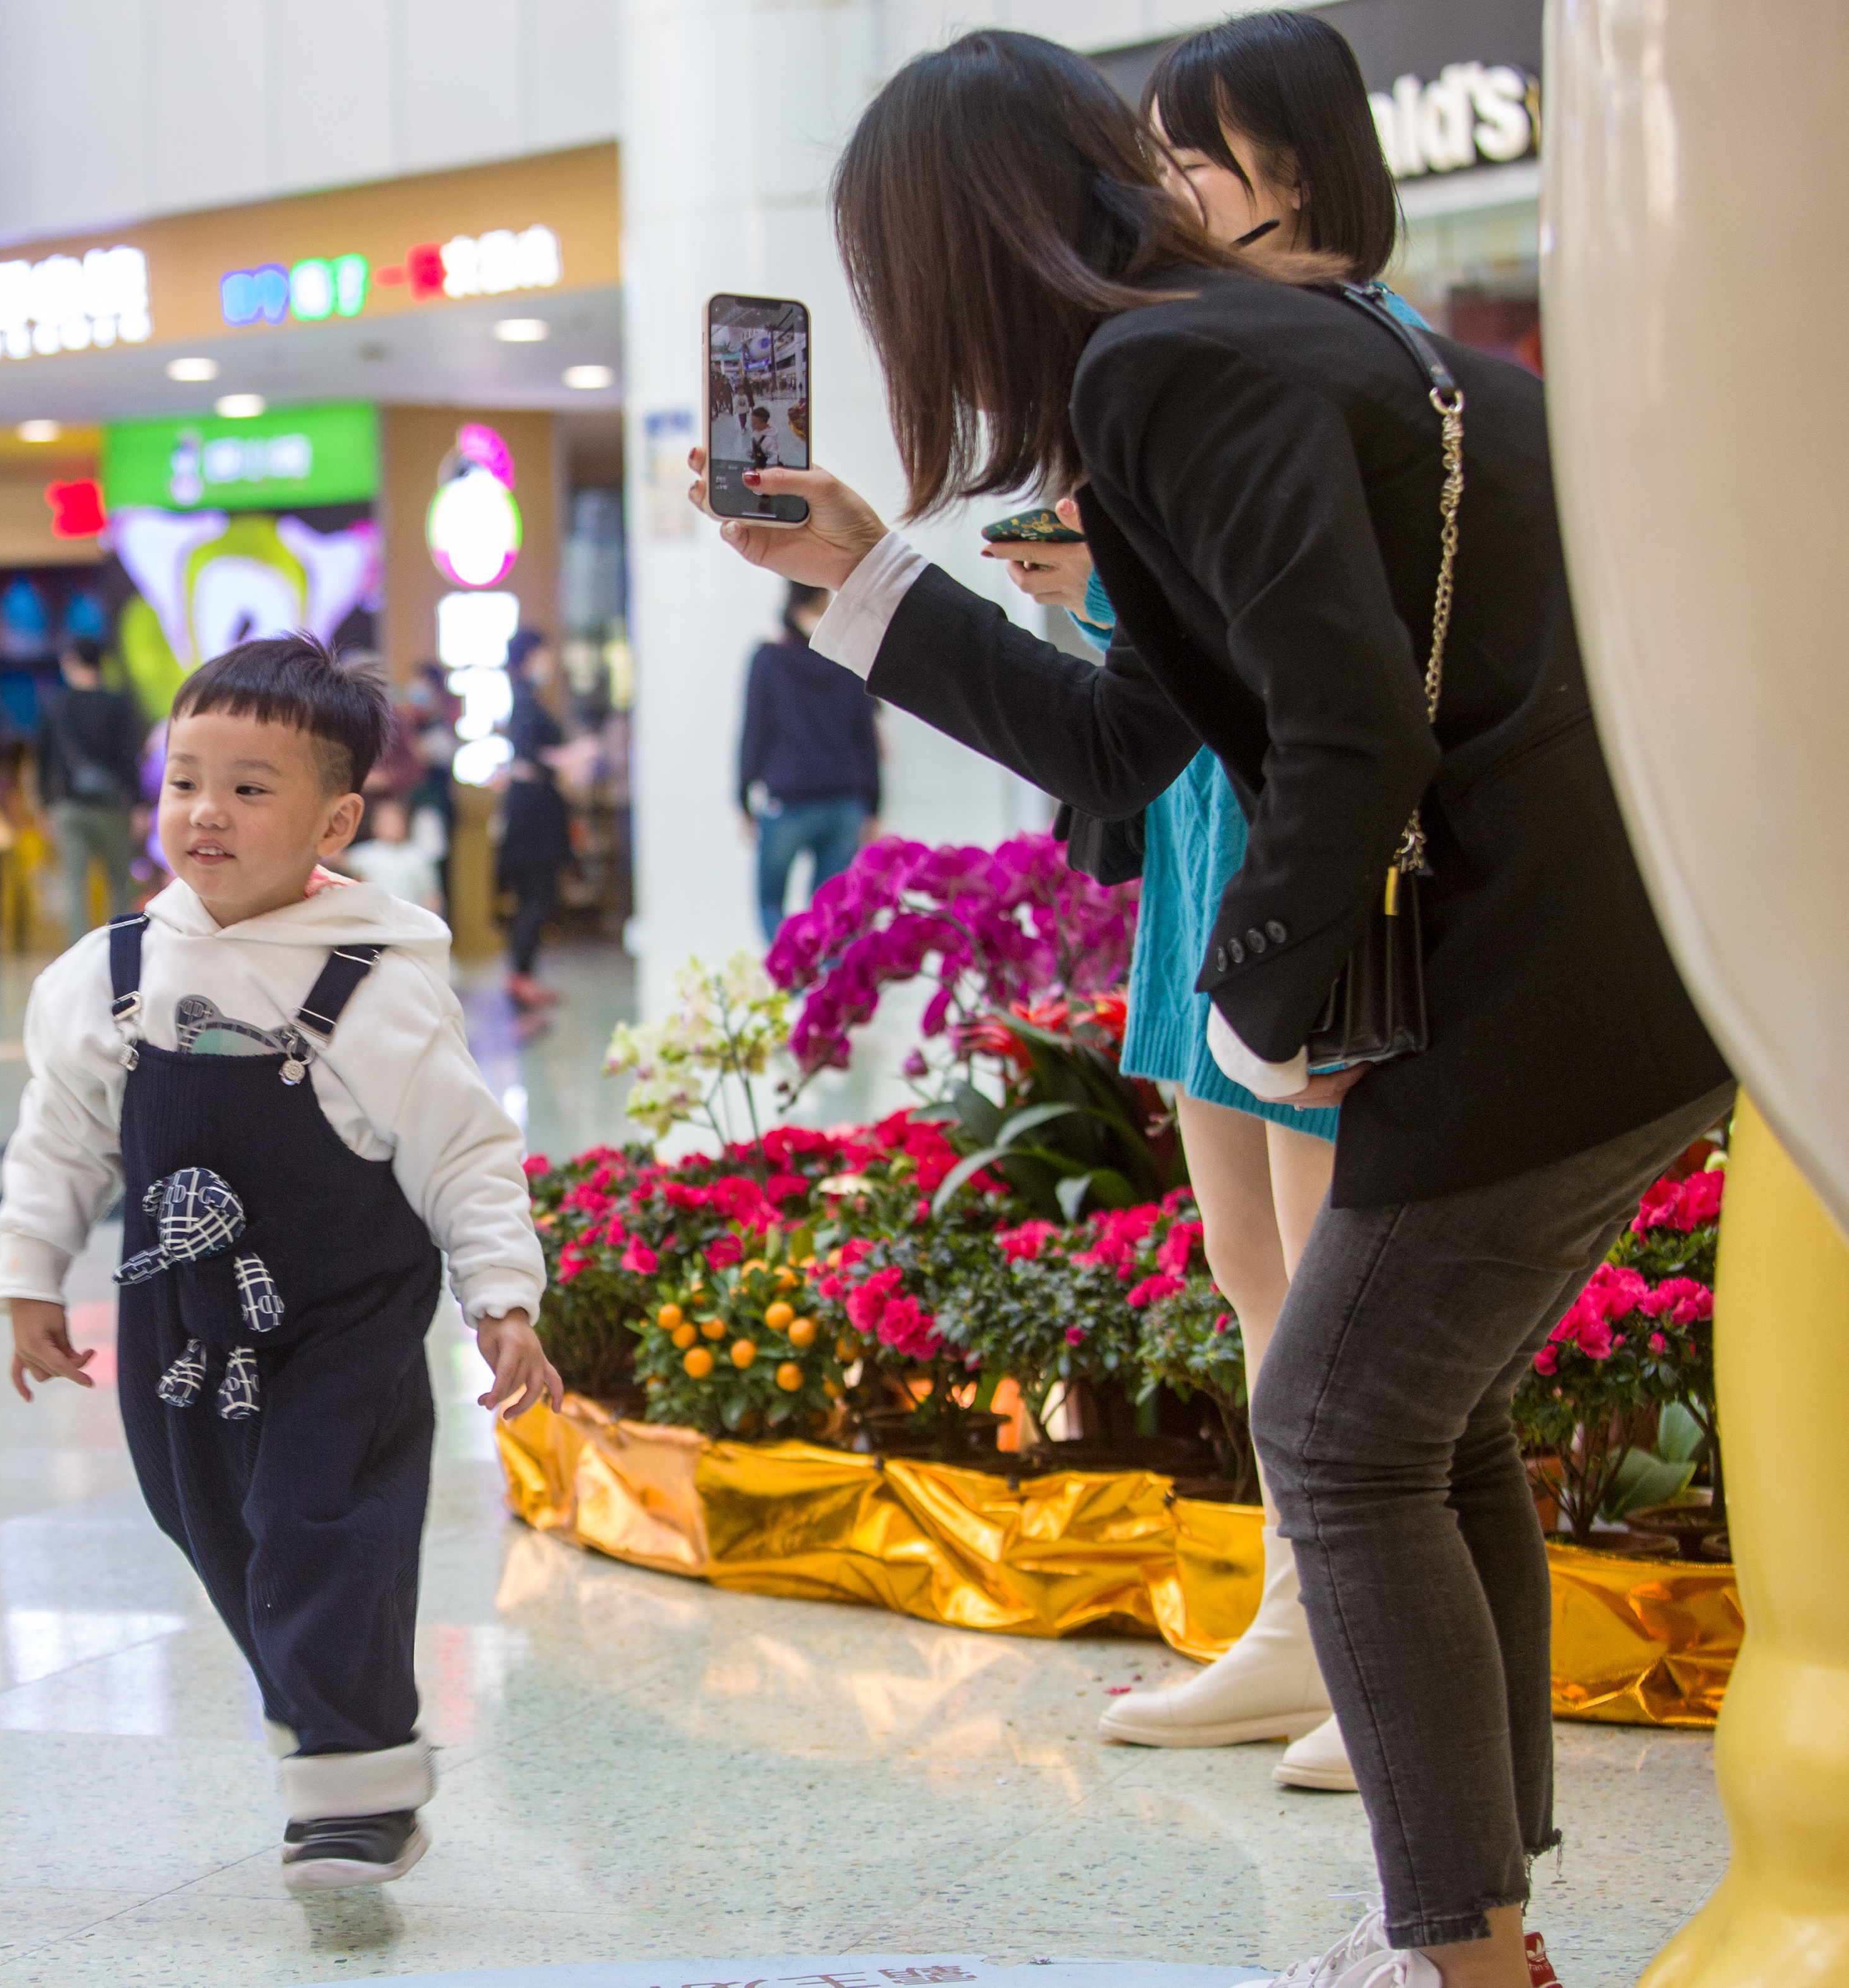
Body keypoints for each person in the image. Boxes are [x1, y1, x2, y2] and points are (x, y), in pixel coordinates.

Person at [705, 32, 1731, 1988]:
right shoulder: (1276, 337)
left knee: (1339, 1436)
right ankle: (1481, 1896)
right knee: (1426, 1422)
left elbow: (1347, 734)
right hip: (1616, 960)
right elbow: (1126, 741)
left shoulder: (1162, 368)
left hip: (1525, 982)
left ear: (938, 254)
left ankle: (1460, 1948)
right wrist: (858, 579)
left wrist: (1259, 1008)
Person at [972, 9, 1430, 1798]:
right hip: (1191, 836)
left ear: (1294, 164)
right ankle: (1292, 1620)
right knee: (1248, 1261)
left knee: (1325, 1285)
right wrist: (1087, 595)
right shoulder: (1200, 353)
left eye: (1187, 154)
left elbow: (1343, 662)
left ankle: (1364, 1646)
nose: (1152, 190)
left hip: (1301, 853)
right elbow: (1178, 656)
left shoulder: (1349, 359)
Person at [0, 633, 556, 1894]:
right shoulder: (113, 974)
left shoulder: (375, 984)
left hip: (339, 1327)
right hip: (179, 1332)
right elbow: (62, 1137)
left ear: (335, 818)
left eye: (252, 787)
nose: (207, 811)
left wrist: (503, 1297)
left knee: (315, 1522)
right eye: (187, 778)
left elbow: (467, 1153)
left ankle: (353, 1797)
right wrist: (31, 1271)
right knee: (223, 1537)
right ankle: (337, 1729)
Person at [737, 579, 881, 941]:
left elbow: (753, 733)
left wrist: (742, 800)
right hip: (845, 801)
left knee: (770, 903)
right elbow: (866, 738)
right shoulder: (848, 659)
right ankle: (824, 990)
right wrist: (875, 807)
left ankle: (795, 980)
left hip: (787, 802)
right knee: (831, 910)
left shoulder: (768, 659)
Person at [38, 634, 144, 941]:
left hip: (70, 808)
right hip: (111, 808)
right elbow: (129, 758)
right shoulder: (118, 704)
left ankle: (78, 957)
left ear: (71, 662)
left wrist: (46, 806)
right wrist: (137, 805)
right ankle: (120, 950)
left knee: (75, 886)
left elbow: (44, 760)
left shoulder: (55, 706)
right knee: (118, 885)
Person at [495, 628, 571, 1012]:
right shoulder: (525, 700)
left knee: (534, 895)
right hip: (533, 815)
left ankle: (524, 974)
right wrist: (570, 757)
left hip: (533, 810)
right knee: (537, 895)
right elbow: (530, 756)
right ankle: (521, 975)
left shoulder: (526, 697)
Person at [338, 797, 442, 914]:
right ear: (376, 825)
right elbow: (339, 861)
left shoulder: (418, 856)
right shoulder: (365, 853)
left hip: (410, 919)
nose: (391, 827)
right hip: (376, 918)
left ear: (404, 824)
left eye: (395, 822)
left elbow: (431, 895)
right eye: (386, 822)